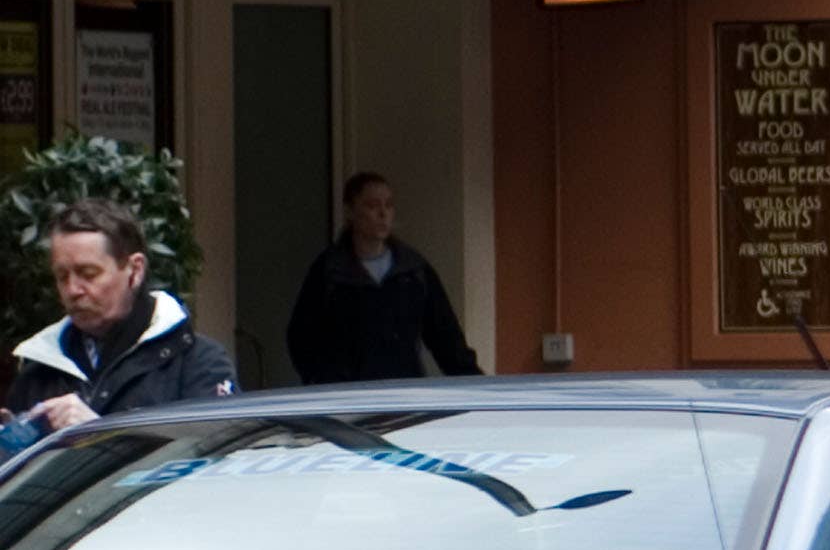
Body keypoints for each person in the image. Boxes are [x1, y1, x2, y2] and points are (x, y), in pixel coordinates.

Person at [11, 201, 242, 439]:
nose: (72, 289)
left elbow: (218, 454)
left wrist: (102, 434)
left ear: (135, 270)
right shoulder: (39, 369)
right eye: (61, 276)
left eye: (88, 274)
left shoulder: (197, 361)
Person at [281, 172, 481, 384]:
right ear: (350, 211)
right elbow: (302, 336)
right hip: (347, 395)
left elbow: (445, 336)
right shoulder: (330, 271)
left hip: (402, 391)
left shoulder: (413, 270)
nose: (383, 213)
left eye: (389, 205)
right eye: (372, 205)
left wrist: (474, 384)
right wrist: (322, 381)